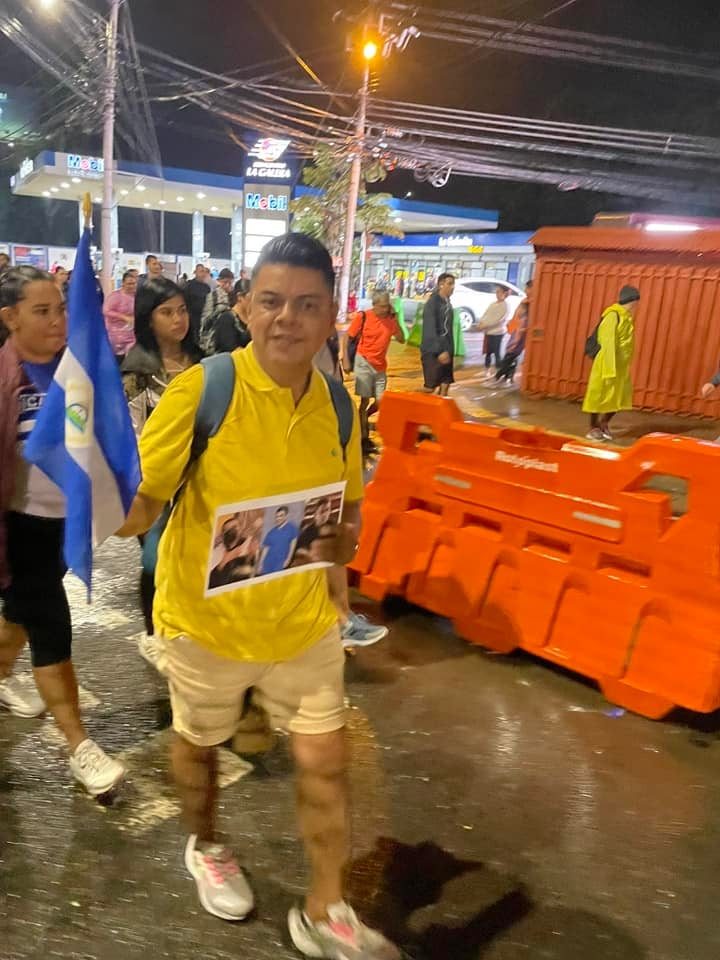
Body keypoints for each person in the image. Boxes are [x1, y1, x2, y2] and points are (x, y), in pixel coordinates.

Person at [116, 232, 401, 960]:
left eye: (307, 305)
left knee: (326, 763)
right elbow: (142, 503)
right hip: (208, 626)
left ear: (331, 313)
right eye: (271, 301)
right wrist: (93, 501)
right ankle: (207, 844)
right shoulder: (205, 389)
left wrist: (342, 561)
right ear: (245, 307)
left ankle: (325, 907)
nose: (287, 319)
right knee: (199, 750)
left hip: (303, 625)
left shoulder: (338, 405)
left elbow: (347, 512)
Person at [0, 266, 125, 795]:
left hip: (63, 524)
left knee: (20, 614)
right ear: (9, 318)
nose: (58, 321)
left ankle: (3, 677)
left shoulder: (77, 371)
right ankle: (79, 746)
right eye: (42, 310)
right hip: (18, 527)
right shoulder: (7, 379)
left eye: (61, 309)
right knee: (51, 622)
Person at [121, 277, 203, 664]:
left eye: (182, 310)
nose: (177, 320)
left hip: (199, 480)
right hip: (154, 482)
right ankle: (155, 635)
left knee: (191, 559)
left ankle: (186, 628)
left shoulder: (203, 362)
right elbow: (131, 433)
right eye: (166, 312)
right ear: (148, 318)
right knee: (156, 560)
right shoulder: (137, 370)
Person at [346, 290, 405, 456]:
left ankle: (362, 418)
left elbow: (401, 339)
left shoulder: (390, 319)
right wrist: (346, 360)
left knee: (380, 401)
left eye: (387, 306)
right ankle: (364, 437)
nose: (385, 309)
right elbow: (349, 337)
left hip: (380, 366)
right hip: (363, 361)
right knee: (364, 400)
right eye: (382, 306)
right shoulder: (364, 317)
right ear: (374, 304)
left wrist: (395, 319)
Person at [583, 285, 641, 442]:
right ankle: (593, 427)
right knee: (598, 396)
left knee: (619, 397)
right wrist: (610, 368)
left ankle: (604, 423)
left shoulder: (626, 317)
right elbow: (608, 342)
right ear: (632, 301)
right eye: (636, 302)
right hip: (607, 364)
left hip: (621, 367)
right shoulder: (612, 316)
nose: (636, 306)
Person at [421, 272, 456, 397]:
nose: (452, 287)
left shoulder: (447, 302)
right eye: (449, 284)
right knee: (430, 388)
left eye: (453, 284)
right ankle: (409, 404)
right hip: (432, 350)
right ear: (441, 284)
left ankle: (438, 414)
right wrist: (440, 351)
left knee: (445, 383)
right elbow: (430, 328)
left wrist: (450, 350)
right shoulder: (433, 303)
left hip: (447, 349)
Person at [495, 280, 532, 388]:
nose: (525, 290)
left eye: (527, 288)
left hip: (518, 336)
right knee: (512, 356)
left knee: (510, 355)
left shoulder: (529, 302)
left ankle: (499, 376)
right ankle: (508, 377)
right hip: (516, 332)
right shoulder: (526, 300)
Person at [103, 269, 137, 363]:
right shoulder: (115, 296)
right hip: (115, 335)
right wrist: (124, 317)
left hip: (131, 335)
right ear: (123, 283)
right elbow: (106, 310)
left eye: (134, 283)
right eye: (129, 283)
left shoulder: (136, 297)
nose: (132, 286)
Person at [477, 285, 511, 379]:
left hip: (498, 333)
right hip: (489, 332)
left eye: (499, 292)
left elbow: (499, 320)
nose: (497, 294)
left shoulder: (505, 305)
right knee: (488, 352)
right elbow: (486, 314)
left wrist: (485, 325)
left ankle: (498, 372)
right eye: (496, 292)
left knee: (496, 353)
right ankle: (487, 370)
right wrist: (481, 323)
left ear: (505, 293)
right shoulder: (493, 304)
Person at [204, 288, 251, 355]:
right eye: (251, 298)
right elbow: (230, 348)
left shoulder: (254, 317)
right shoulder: (226, 318)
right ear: (240, 297)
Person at [199, 267, 235, 352]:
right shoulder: (213, 296)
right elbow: (205, 319)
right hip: (215, 336)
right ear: (219, 281)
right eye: (224, 282)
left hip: (231, 336)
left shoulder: (235, 295)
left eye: (230, 282)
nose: (227, 285)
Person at [258, 506, 299, 576]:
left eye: (281, 516)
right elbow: (265, 549)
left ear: (286, 516)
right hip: (267, 563)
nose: (278, 518)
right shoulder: (271, 532)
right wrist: (260, 564)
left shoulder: (292, 528)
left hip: (280, 562)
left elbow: (293, 544)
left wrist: (288, 559)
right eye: (277, 516)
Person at [185, 264, 212, 341]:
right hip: (192, 318)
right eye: (201, 271)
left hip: (203, 317)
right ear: (195, 272)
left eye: (204, 272)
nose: (203, 274)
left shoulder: (207, 287)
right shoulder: (189, 286)